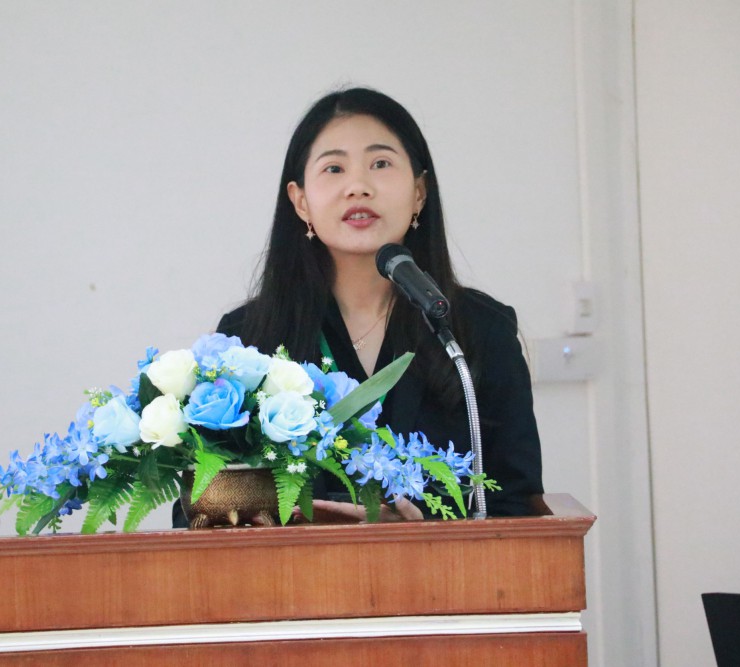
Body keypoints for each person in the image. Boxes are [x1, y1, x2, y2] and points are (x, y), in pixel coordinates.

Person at [181, 87, 543, 525]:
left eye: (381, 164)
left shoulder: (476, 331)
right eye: (334, 168)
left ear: (419, 192)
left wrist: (422, 538)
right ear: (300, 201)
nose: (358, 187)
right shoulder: (249, 340)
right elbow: (202, 514)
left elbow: (516, 509)